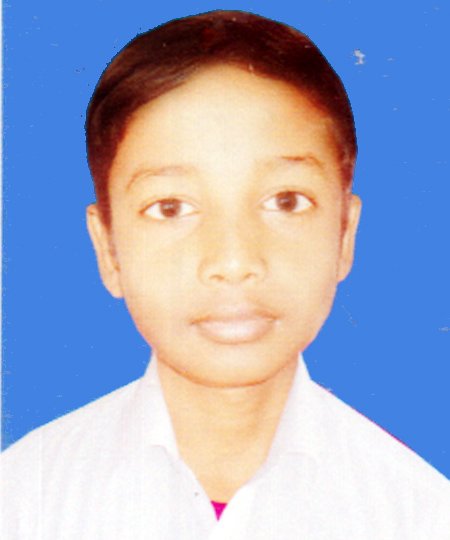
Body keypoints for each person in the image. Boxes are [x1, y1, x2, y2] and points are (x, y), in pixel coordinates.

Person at [1, 10, 449, 539]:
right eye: (171, 208)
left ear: (345, 234)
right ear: (109, 250)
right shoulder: (24, 500)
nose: (234, 262)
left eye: (286, 200)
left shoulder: (419, 514)